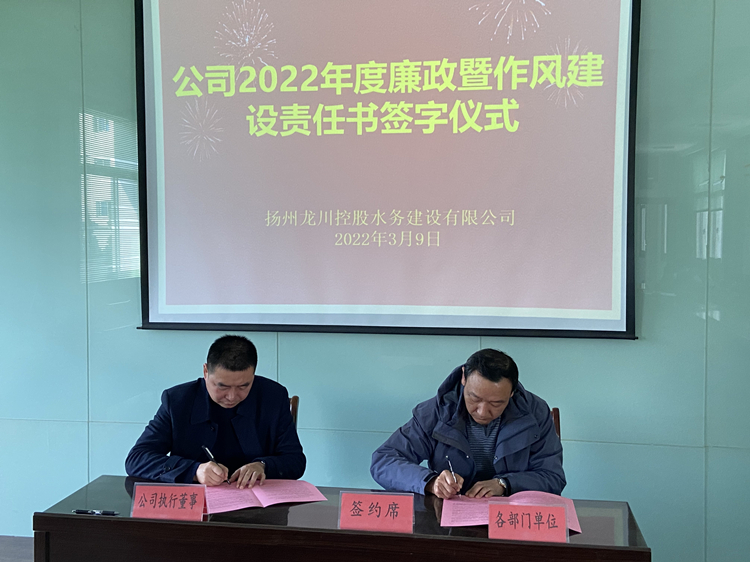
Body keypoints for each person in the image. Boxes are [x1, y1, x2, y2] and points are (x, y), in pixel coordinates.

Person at [370, 349, 565, 499]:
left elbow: (552, 477)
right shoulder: (436, 412)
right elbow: (384, 461)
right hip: (450, 518)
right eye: (474, 398)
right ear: (463, 378)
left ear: (512, 393)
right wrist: (431, 482)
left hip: (510, 519)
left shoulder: (535, 413)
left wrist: (505, 484)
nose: (482, 411)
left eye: (496, 403)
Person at [126, 335, 305, 488]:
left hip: (258, 506)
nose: (232, 396)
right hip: (197, 507)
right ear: (206, 372)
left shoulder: (273, 397)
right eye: (222, 386)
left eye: (243, 386)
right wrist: (194, 470)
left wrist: (263, 465)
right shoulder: (178, 401)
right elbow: (137, 459)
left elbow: (295, 460)